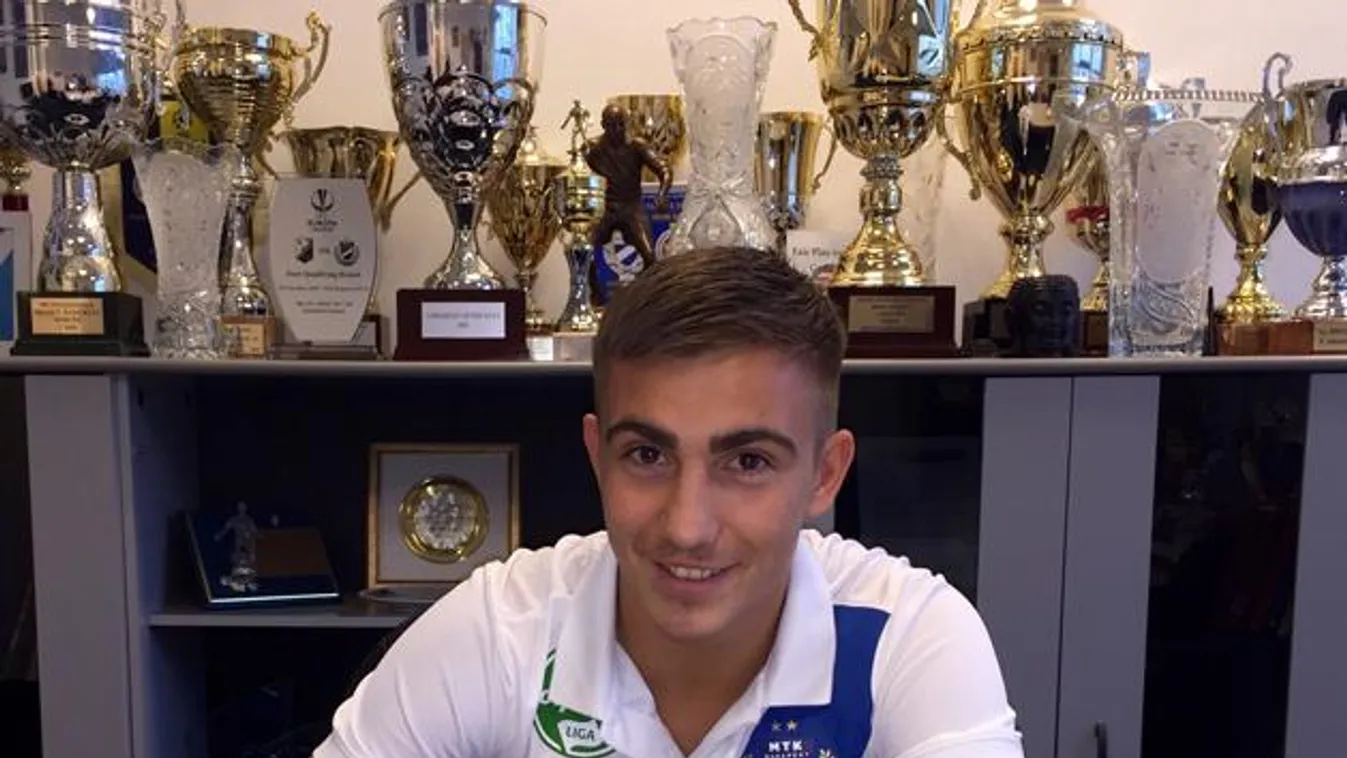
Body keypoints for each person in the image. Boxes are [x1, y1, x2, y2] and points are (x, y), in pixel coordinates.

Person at [313, 247, 1024, 758]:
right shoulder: (501, 627)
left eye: (747, 462)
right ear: (597, 456)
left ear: (824, 474)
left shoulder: (908, 636)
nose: (687, 527)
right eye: (648, 456)